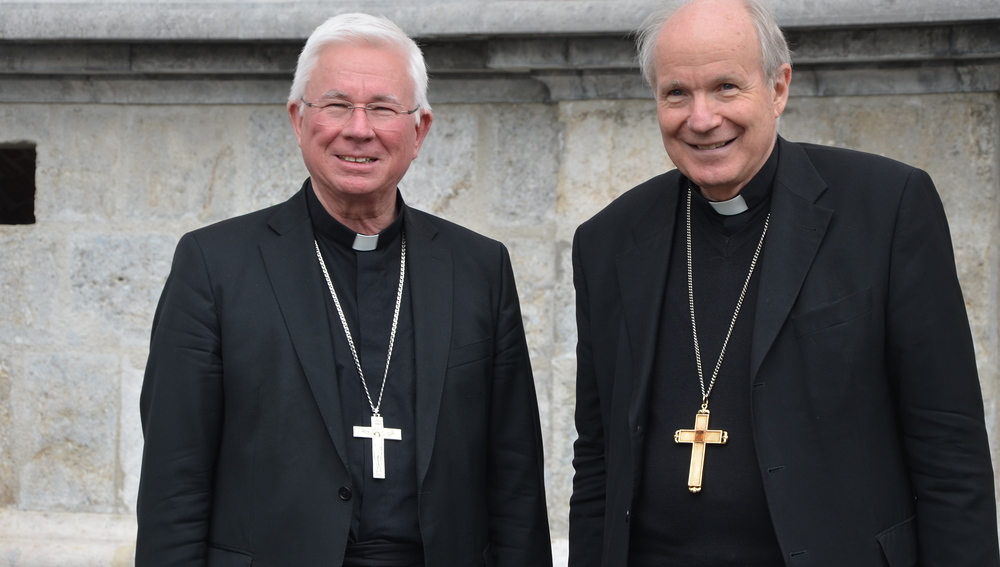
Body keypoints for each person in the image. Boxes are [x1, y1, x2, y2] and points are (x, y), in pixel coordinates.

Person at [568, 0, 1000, 565]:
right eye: (677, 93)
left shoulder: (886, 208)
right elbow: (597, 459)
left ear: (777, 89)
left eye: (726, 87)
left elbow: (949, 449)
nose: (701, 118)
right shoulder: (607, 240)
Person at [136, 13, 552, 567]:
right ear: (298, 119)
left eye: (382, 108)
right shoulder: (214, 265)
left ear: (420, 130)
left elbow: (515, 478)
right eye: (336, 105)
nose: (358, 129)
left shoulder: (479, 267)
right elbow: (174, 479)